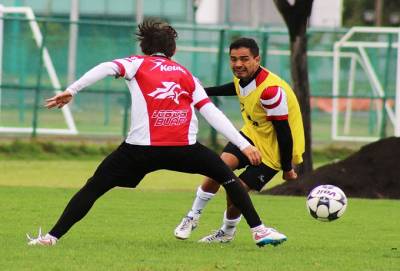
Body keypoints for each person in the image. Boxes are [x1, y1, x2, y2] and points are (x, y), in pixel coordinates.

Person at [26, 21, 288, 247]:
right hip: (184, 149)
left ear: (144, 47)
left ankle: (51, 237)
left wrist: (73, 89)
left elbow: (106, 67)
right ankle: (259, 230)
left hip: (139, 150)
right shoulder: (187, 75)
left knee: (94, 187)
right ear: (172, 50)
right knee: (227, 177)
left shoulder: (136, 63)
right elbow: (212, 114)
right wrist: (243, 145)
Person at [174, 37, 305, 243]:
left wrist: (287, 168)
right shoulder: (243, 77)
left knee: (237, 191)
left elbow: (284, 133)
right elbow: (233, 88)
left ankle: (226, 232)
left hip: (275, 150)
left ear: (257, 59)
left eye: (244, 59)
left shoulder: (271, 91)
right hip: (251, 135)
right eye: (233, 59)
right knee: (217, 168)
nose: (238, 64)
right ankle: (192, 216)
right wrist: (200, 93)